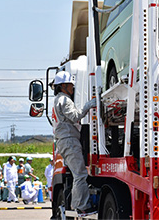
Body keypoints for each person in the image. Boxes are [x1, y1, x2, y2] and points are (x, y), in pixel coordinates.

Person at [52, 70, 97, 217]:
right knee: (80, 175)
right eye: (71, 85)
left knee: (78, 174)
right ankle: (82, 207)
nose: (73, 87)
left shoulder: (58, 100)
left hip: (66, 141)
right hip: (69, 141)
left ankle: (78, 204)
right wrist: (88, 105)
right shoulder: (64, 100)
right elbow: (75, 116)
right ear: (63, 86)